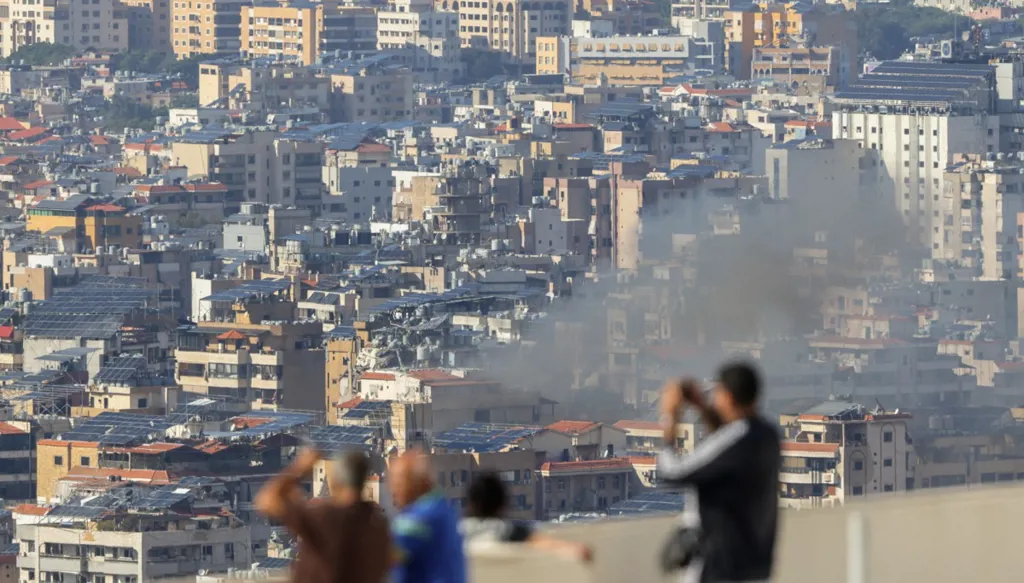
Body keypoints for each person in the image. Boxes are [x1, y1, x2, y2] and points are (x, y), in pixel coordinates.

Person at [657, 361, 781, 583]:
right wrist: (701, 407)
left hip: (719, 568)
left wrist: (670, 417)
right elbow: (725, 443)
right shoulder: (768, 436)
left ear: (727, 397)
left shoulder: (738, 438)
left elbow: (670, 472)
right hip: (755, 568)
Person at [255, 449, 391, 583]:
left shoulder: (324, 517)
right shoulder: (378, 525)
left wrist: (298, 470)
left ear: (336, 482)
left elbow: (266, 501)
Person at [461, 471, 593, 562]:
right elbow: (540, 542)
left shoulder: (456, 530)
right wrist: (574, 549)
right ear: (502, 504)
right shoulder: (504, 529)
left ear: (470, 503)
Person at [389, 450, 466, 583]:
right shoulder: (446, 510)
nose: (394, 491)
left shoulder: (417, 521)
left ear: (413, 484)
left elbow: (385, 558)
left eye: (398, 484)